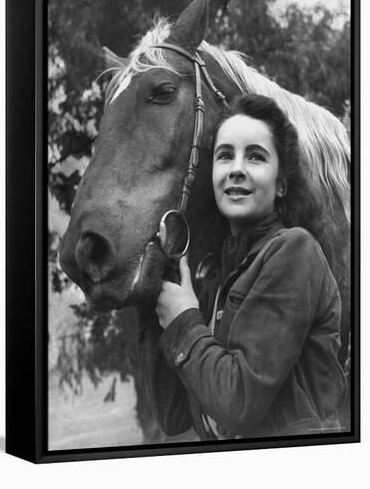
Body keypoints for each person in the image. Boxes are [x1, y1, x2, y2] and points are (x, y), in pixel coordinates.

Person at [139, 93, 348, 440]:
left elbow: (238, 404)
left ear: (281, 183)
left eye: (255, 156)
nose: (236, 168)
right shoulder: (219, 277)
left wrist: (182, 320)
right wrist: (151, 297)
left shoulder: (295, 250)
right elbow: (174, 414)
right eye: (225, 156)